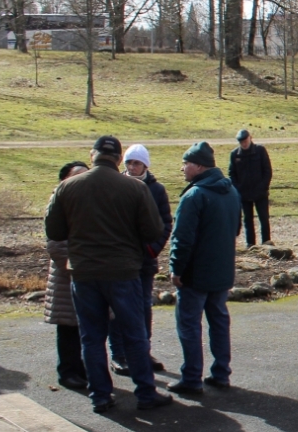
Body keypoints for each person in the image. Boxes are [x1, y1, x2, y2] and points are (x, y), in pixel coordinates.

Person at [44, 135, 165, 414]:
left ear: (92, 155)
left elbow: (55, 231)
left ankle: (100, 396)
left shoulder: (67, 188)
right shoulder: (134, 188)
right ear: (119, 159)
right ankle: (146, 393)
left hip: (84, 272)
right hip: (123, 270)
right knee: (134, 334)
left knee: (91, 337)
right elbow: (153, 230)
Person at [166, 142, 242, 395]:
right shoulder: (231, 191)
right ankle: (221, 373)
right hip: (222, 270)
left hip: (196, 274)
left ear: (198, 165)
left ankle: (191, 377)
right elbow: (237, 229)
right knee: (218, 321)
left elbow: (182, 239)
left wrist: (176, 269)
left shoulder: (194, 196)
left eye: (186, 163)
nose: (182, 168)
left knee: (189, 324)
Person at [109, 144, 171, 376]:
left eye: (137, 163)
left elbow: (165, 223)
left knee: (144, 306)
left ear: (145, 165)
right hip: (121, 260)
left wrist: (152, 249)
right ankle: (119, 354)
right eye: (129, 163)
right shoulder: (116, 186)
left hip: (145, 259)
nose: (132, 167)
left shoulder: (156, 190)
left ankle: (143, 350)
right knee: (117, 308)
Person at [46, 161, 90, 391]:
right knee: (68, 327)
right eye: (77, 176)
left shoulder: (92, 202)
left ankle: (84, 369)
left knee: (88, 327)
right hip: (68, 276)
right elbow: (55, 244)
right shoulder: (59, 202)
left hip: (89, 274)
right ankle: (68, 372)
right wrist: (76, 267)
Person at [228, 129, 273, 247]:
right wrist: (238, 189)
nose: (244, 143)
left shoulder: (260, 151)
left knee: (264, 218)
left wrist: (263, 187)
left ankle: (266, 243)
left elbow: (267, 171)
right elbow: (232, 173)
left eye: (245, 140)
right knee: (248, 220)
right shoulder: (235, 154)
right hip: (244, 194)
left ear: (250, 138)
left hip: (260, 193)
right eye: (241, 141)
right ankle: (250, 244)